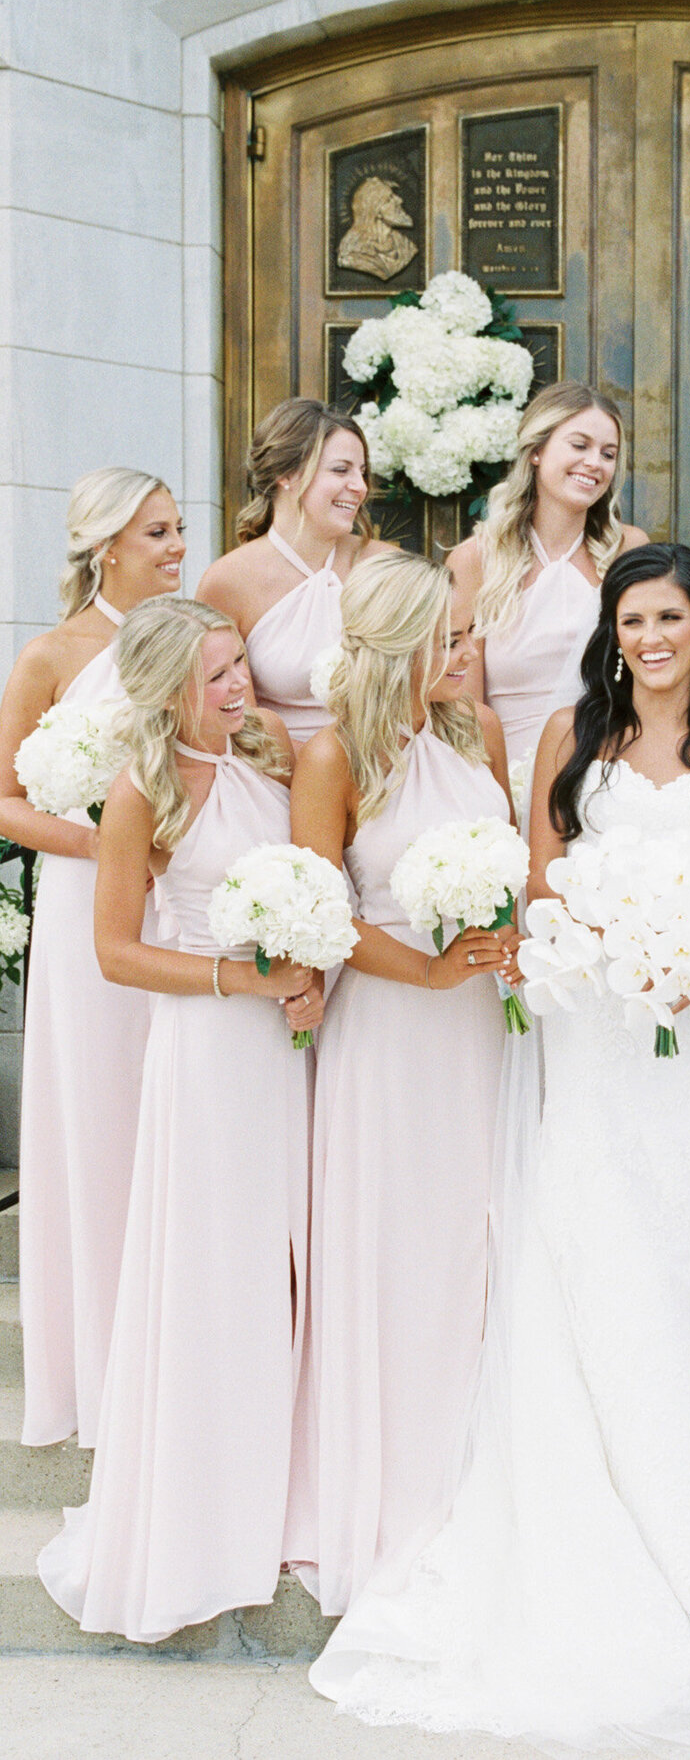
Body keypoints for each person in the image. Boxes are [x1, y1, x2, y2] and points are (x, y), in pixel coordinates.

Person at [309, 544, 690, 1753]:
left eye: (670, 616)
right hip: (593, 1022)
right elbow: (542, 883)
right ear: (612, 631)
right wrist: (607, 944)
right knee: (596, 1220)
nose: (652, 637)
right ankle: (611, 1497)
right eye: (633, 618)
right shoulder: (572, 737)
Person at [38, 598, 318, 1643]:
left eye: (239, 663)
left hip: (278, 1052)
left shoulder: (267, 768)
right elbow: (117, 950)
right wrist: (236, 978)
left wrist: (304, 982)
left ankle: (275, 1469)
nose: (238, 686)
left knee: (278, 1256)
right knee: (210, 1261)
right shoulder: (138, 793)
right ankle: (203, 1493)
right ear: (165, 689)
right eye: (215, 675)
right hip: (202, 1055)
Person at [285, 551, 517, 1615]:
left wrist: (504, 940)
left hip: (480, 1028)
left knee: (478, 1235)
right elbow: (317, 908)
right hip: (388, 1032)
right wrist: (422, 965)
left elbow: (515, 867)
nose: (466, 651)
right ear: (402, 644)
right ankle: (390, 1481)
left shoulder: (478, 733)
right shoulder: (336, 755)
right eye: (450, 636)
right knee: (395, 1238)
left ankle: (480, 1473)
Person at [0, 469, 184, 1448]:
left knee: (173, 1112)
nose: (174, 545)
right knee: (99, 1120)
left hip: (182, 902)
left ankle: (176, 1345)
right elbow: (5, 800)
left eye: (178, 528)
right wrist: (104, 842)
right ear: (105, 542)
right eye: (156, 531)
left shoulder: (188, 641)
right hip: (88, 906)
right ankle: (104, 1373)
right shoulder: (52, 654)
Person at [453, 380, 648, 785]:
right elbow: (463, 703)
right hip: (504, 771)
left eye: (608, 454)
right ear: (537, 451)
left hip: (612, 767)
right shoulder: (476, 559)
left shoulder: (629, 549)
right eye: (580, 445)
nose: (595, 463)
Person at [197, 399, 390, 747]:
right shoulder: (227, 582)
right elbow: (233, 721)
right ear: (286, 474)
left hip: (383, 766)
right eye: (341, 470)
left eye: (362, 471)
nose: (360, 486)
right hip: (276, 775)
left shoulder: (385, 565)